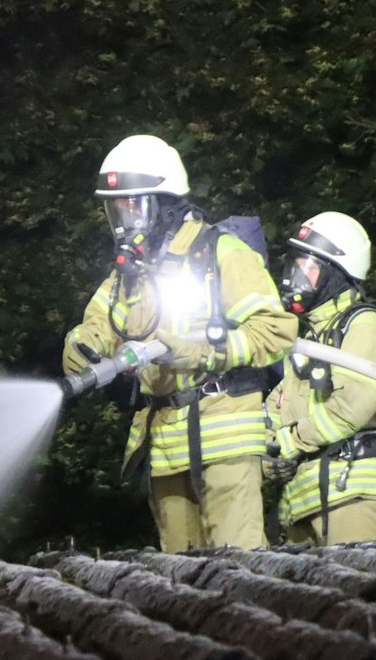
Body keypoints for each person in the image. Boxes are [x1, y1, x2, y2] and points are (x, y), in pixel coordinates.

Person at [61, 134, 294, 551]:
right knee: (182, 581)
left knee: (241, 572)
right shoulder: (127, 275)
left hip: (224, 438)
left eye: (133, 205)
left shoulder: (221, 253)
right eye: (116, 209)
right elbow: (98, 325)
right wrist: (81, 347)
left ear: (165, 203)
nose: (124, 219)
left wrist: (199, 352)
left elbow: (274, 332)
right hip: (165, 442)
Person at [264, 210, 376, 545]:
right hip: (301, 499)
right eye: (294, 264)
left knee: (357, 590)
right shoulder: (311, 339)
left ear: (335, 275)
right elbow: (277, 404)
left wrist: (289, 442)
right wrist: (266, 455)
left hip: (349, 493)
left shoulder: (365, 327)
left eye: (307, 267)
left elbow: (349, 407)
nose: (294, 277)